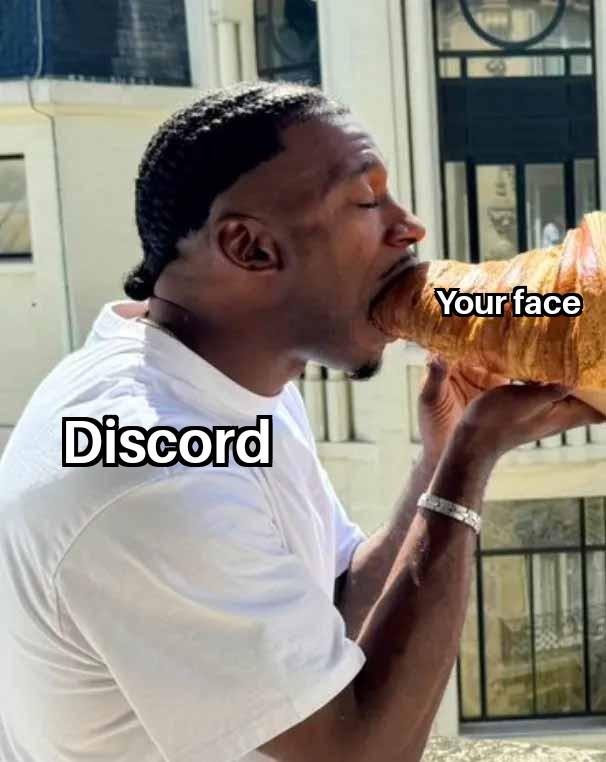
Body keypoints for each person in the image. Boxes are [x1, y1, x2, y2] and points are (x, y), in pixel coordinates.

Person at [0, 81, 602, 762]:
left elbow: (336, 602)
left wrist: (440, 453)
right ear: (250, 247)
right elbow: (359, 755)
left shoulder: (225, 374)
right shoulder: (147, 469)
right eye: (366, 201)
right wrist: (470, 460)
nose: (410, 228)